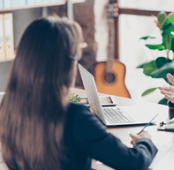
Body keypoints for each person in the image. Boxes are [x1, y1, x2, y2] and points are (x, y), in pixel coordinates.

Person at [0, 16, 157, 170]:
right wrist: (145, 142)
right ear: (65, 64)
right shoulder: (74, 116)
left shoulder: (8, 107)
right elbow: (135, 162)